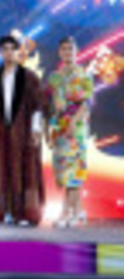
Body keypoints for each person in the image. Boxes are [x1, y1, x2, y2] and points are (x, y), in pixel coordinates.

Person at [0, 34, 45, 226]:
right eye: (5, 49)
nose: (9, 53)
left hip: (23, 132)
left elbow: (38, 105)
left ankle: (24, 214)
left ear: (18, 52)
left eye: (12, 49)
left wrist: (36, 129)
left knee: (24, 171)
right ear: (0, 52)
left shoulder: (28, 77)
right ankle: (3, 212)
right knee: (0, 171)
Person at [45, 37, 94, 228]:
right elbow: (50, 105)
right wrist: (49, 128)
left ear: (76, 51)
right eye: (64, 49)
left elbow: (87, 103)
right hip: (59, 128)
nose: (68, 52)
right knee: (64, 171)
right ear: (60, 52)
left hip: (77, 128)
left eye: (71, 49)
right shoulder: (54, 77)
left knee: (74, 171)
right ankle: (78, 211)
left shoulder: (84, 75)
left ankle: (67, 212)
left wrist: (74, 121)